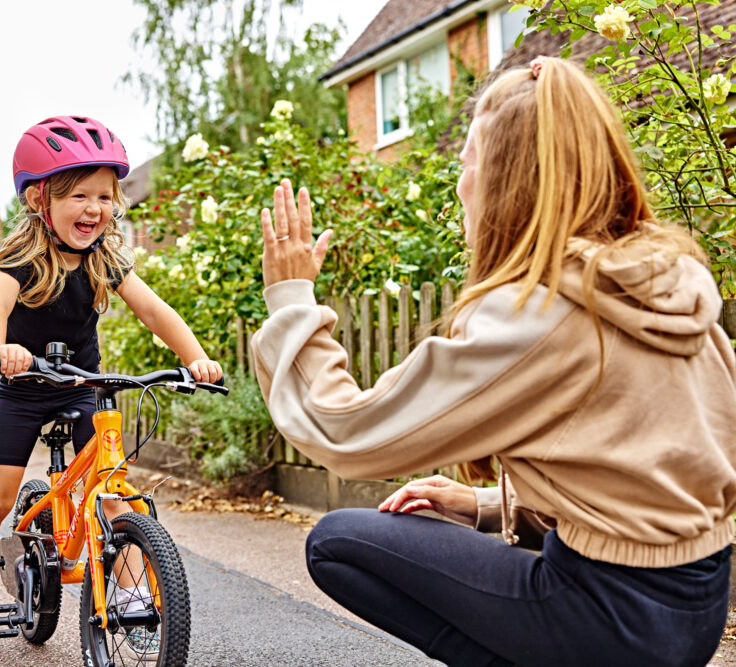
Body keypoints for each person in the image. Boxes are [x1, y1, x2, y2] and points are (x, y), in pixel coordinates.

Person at [252, 57, 736, 666]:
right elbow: (654, 471)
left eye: (466, 165)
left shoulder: (542, 312)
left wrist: (292, 298)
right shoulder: (664, 282)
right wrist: (484, 506)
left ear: (503, 181)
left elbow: (346, 432)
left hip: (607, 616)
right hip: (695, 606)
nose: (460, 186)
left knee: (336, 542)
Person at [0, 115, 223, 643]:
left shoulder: (105, 258)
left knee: (115, 496)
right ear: (39, 200)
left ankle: (135, 601)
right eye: (78, 196)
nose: (94, 208)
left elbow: (155, 312)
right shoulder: (21, 257)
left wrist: (197, 358)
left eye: (104, 196)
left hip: (82, 385)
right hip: (25, 389)